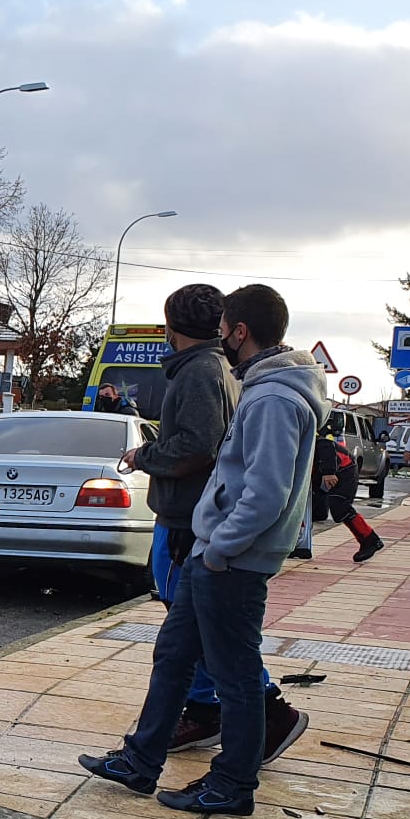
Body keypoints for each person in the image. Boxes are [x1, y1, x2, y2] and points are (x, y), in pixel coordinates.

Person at [81, 285, 325, 814]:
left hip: (230, 559)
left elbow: (266, 491)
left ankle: (232, 786)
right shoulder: (257, 386)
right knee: (173, 655)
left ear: (240, 331)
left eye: (227, 328)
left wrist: (220, 547)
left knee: (234, 676)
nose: (220, 336)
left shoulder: (276, 397)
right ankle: (140, 761)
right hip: (212, 550)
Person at [118, 283, 278, 752]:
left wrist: (145, 454)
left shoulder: (197, 371)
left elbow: (196, 445)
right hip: (196, 514)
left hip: (187, 516)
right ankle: (208, 709)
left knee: (195, 623)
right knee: (194, 623)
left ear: (171, 328)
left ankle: (263, 709)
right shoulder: (219, 366)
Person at [311, 419, 384, 563]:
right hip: (326, 472)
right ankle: (301, 545)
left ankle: (370, 539)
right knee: (311, 507)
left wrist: (329, 472)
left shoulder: (314, 437)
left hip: (344, 469)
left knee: (340, 506)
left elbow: (326, 447)